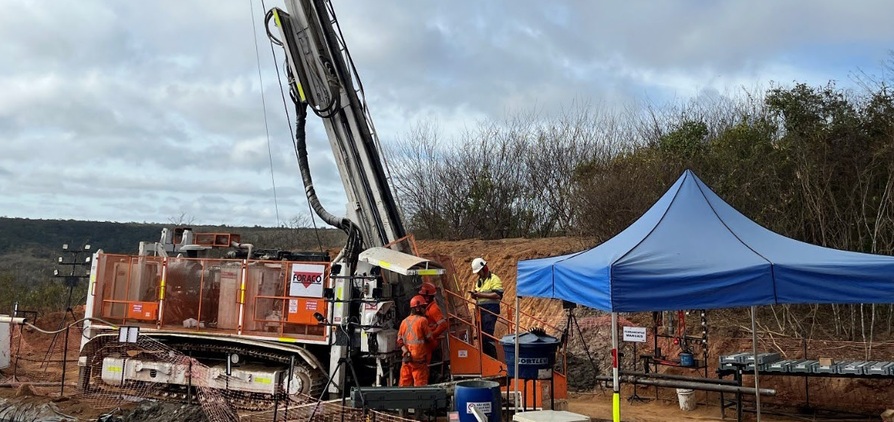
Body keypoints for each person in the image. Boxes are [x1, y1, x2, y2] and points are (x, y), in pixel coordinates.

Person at [397, 295, 437, 386]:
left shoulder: (404, 322)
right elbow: (430, 338)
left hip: (407, 360)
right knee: (420, 388)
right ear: (418, 308)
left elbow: (399, 341)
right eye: (423, 307)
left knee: (404, 387)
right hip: (418, 361)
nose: (425, 310)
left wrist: (406, 351)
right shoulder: (422, 321)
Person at [469, 257, 503, 359]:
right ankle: (485, 358)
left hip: (490, 310)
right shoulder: (479, 281)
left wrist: (480, 295)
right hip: (480, 311)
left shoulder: (494, 279)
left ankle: (492, 359)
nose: (478, 274)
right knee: (481, 337)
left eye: (479, 272)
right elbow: (480, 295)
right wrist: (475, 296)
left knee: (487, 336)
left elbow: (498, 295)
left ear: (484, 268)